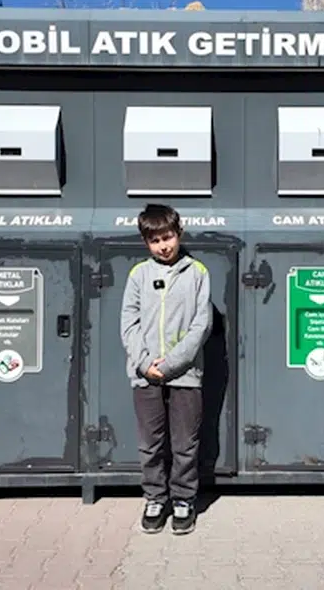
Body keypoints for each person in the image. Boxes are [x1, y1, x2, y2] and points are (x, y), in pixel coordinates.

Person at [120, 203, 212, 535]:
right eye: (155, 240)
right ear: (146, 242)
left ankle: (184, 500)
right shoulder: (138, 275)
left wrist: (171, 364)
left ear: (179, 234)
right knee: (151, 444)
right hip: (145, 376)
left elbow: (202, 325)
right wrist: (145, 363)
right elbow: (128, 324)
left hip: (185, 375)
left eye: (168, 237)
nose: (163, 246)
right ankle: (155, 499)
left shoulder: (197, 272)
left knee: (185, 444)